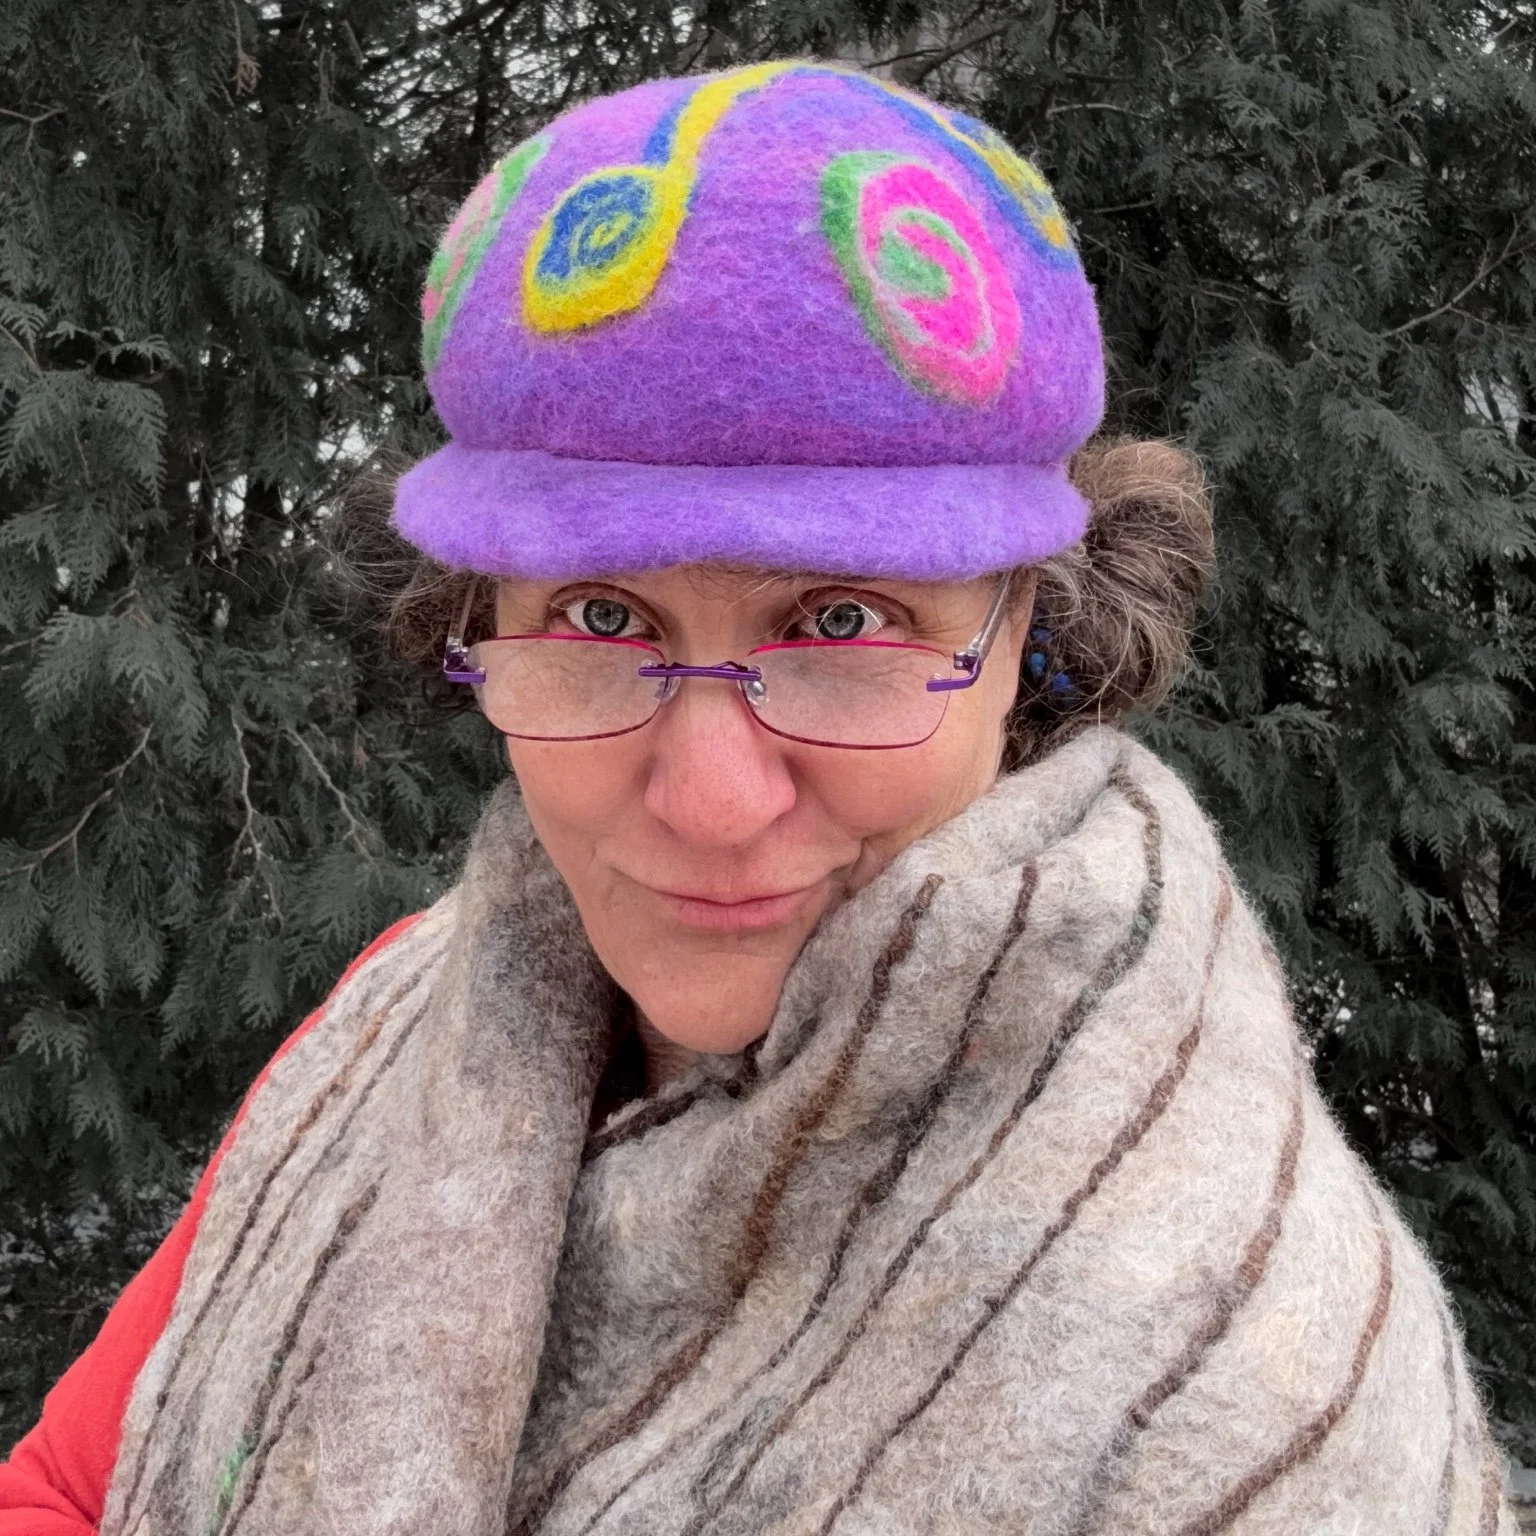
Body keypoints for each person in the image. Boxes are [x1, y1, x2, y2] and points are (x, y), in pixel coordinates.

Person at [0, 59, 1514, 1536]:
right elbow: (68, 1487)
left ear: (1036, 637)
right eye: (599, 618)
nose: (713, 804)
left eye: (844, 622)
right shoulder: (398, 1027)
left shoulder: (1240, 1378)